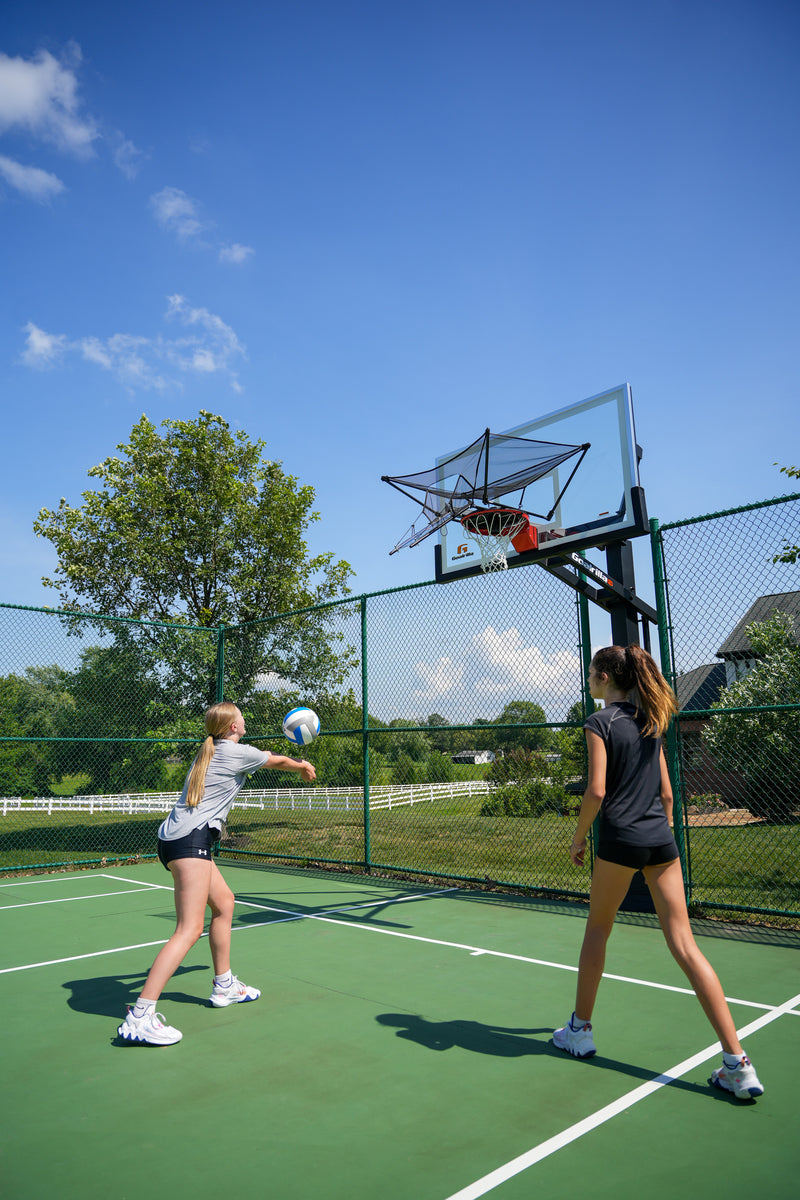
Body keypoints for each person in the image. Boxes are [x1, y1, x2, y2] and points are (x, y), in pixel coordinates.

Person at [553, 644, 764, 1101]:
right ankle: (738, 1063)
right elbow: (668, 795)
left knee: (598, 931)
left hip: (620, 840)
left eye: (593, 674)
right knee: (686, 946)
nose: (589, 680)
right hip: (659, 841)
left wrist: (577, 838)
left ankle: (579, 1030)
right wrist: (658, 835)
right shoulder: (654, 722)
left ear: (606, 678)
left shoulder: (599, 723)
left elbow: (596, 789)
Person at [117, 701, 316, 1046]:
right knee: (189, 929)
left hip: (177, 839)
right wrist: (302, 765)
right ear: (231, 728)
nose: (244, 718)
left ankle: (224, 985)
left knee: (224, 904)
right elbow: (277, 760)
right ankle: (140, 1016)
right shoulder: (236, 752)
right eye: (240, 716)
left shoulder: (209, 751)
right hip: (190, 843)